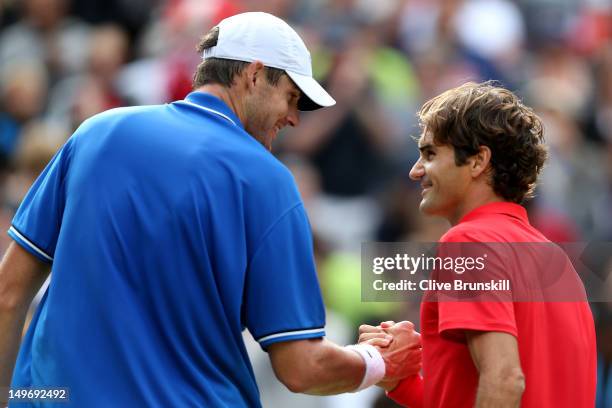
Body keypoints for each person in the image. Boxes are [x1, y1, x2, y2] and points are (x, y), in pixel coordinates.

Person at [0, 12, 422, 407]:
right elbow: (302, 367)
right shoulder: (266, 180)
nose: (294, 118)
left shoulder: (96, 133)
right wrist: (379, 361)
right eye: (291, 97)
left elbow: (9, 292)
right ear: (255, 75)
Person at [359, 81, 597, 407]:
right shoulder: (557, 259)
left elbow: (504, 382)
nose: (416, 171)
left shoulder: (468, 242)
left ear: (477, 161)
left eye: (430, 153)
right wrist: (401, 380)